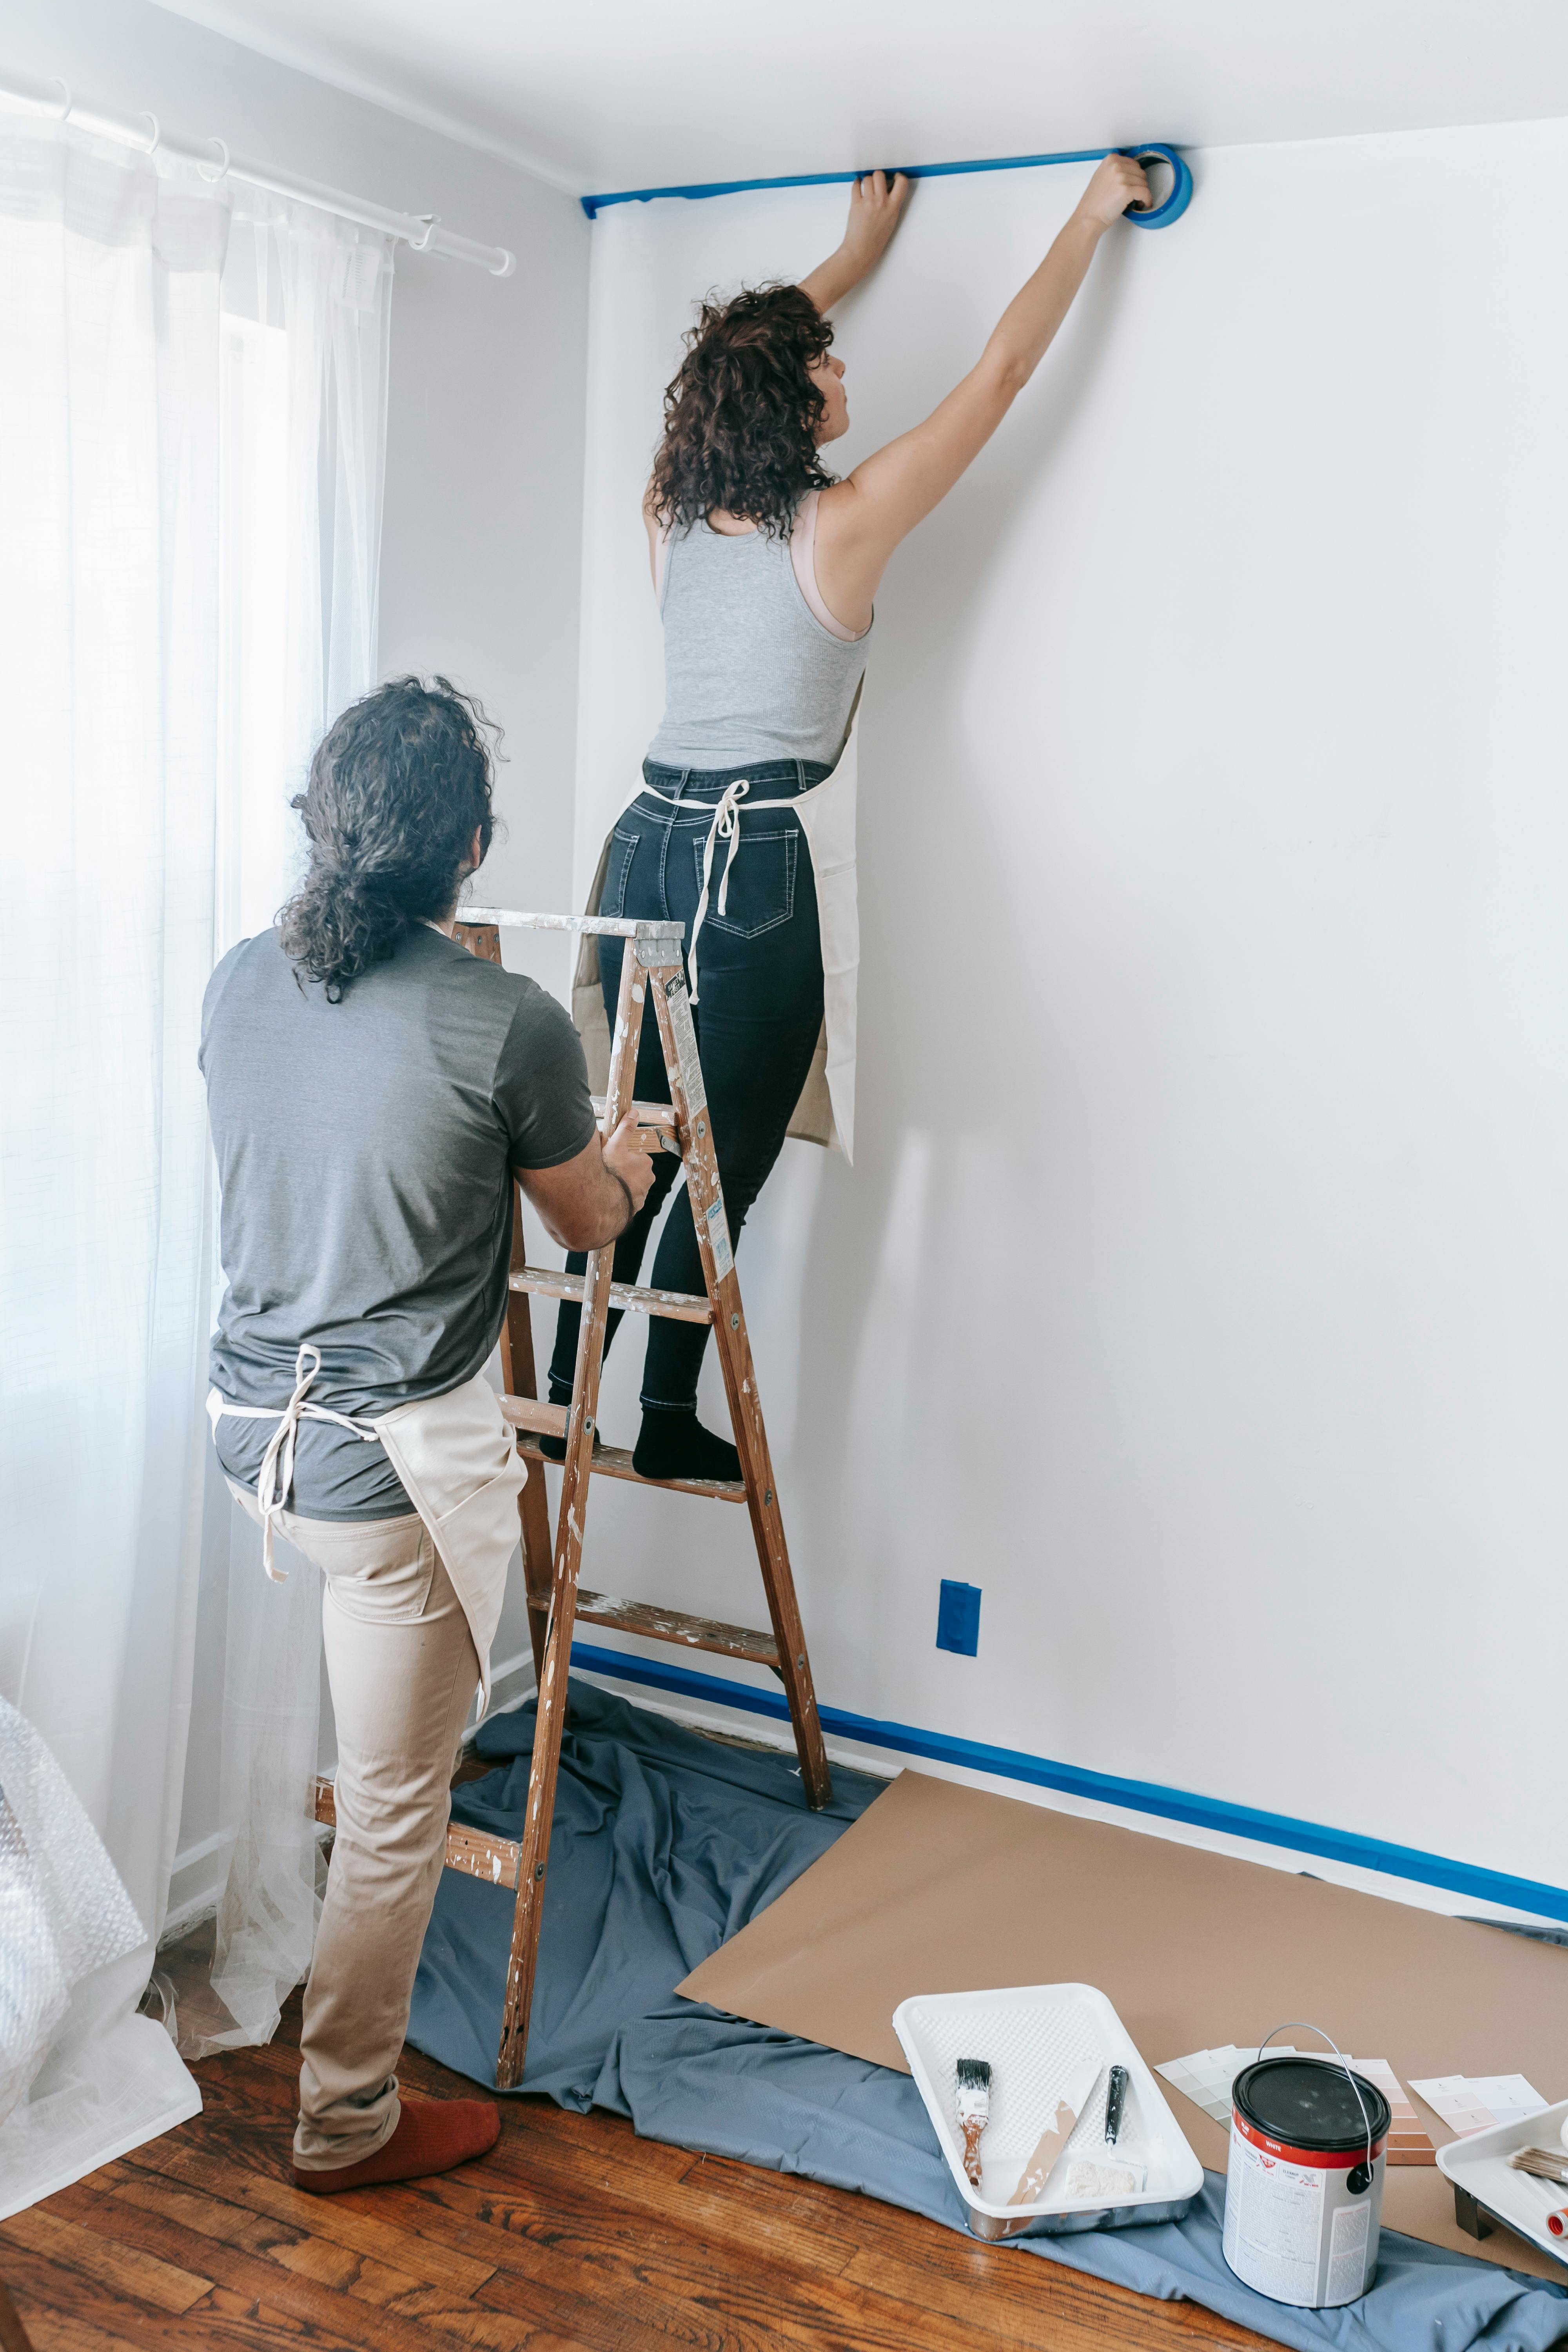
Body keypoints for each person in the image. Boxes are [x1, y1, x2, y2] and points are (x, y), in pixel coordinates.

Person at [547, 155, 1151, 1481]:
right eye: (823, 359)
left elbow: (723, 367)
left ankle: (561, 1383)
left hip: (642, 842)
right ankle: (654, 1418)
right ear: (790, 396)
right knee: (723, 1164)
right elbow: (997, 381)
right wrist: (1090, 214)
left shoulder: (667, 513)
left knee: (635, 1137)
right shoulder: (846, 523)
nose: (843, 372)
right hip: (752, 861)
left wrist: (848, 261)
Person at [200, 677, 655, 2192]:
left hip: (250, 1434)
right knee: (397, 1810)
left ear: (323, 829)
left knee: (369, 1751)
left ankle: (331, 2056)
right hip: (381, 1478)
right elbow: (585, 1221)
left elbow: (325, 1156)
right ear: (467, 849)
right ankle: (347, 2124)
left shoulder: (236, 982)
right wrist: (630, 1149)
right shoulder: (506, 1022)